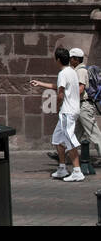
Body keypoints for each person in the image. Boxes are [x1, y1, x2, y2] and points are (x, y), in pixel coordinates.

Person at [31, 46, 86, 181]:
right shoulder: (72, 71)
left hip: (67, 111)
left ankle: (77, 172)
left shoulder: (63, 73)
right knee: (57, 139)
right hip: (71, 110)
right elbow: (60, 87)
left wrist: (56, 106)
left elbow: (60, 94)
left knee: (69, 140)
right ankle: (62, 169)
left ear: (58, 60)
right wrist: (40, 83)